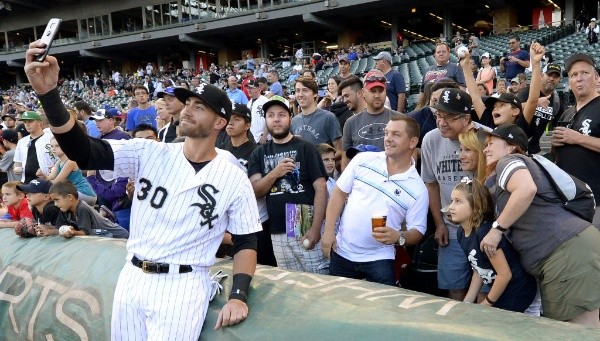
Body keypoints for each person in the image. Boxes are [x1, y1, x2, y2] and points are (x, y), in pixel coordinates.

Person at [25, 42, 262, 339]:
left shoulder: (232, 176)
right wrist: (48, 95)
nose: (187, 111)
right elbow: (83, 151)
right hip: (133, 276)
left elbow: (246, 240)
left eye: (198, 107)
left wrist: (238, 294)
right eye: (187, 104)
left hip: (183, 283)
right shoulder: (150, 152)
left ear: (219, 122)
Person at [480, 123, 600, 327]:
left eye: (491, 143)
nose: (485, 149)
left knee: (580, 331)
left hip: (566, 252)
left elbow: (526, 189)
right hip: (570, 250)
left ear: (511, 147)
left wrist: (496, 229)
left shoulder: (509, 160)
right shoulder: (512, 167)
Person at [322, 115, 428, 286]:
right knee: (337, 308)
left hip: (380, 260)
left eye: (396, 134)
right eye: (386, 133)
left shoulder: (418, 188)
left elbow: (418, 230)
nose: (388, 139)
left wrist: (399, 237)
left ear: (412, 141)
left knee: (382, 311)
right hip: (342, 253)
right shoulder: (363, 160)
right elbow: (339, 193)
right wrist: (328, 232)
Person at [248, 97, 329, 274]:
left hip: (304, 222)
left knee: (317, 281)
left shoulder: (306, 147)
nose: (276, 119)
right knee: (290, 286)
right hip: (276, 228)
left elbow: (321, 188)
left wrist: (316, 228)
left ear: (290, 118)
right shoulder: (259, 152)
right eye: (271, 115)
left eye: (282, 115)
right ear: (266, 121)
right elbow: (255, 191)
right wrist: (275, 172)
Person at [421, 88, 477, 300]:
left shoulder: (483, 136)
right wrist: (439, 223)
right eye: (438, 115)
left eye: (450, 117)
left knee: (484, 288)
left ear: (466, 119)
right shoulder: (431, 140)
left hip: (481, 229)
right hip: (452, 229)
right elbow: (431, 184)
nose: (442, 122)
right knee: (454, 287)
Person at [448, 177, 536, 312]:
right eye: (451, 201)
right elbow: (478, 269)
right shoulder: (461, 232)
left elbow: (504, 274)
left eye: (458, 201)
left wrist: (487, 303)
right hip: (501, 290)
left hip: (517, 290)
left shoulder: (484, 232)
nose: (451, 207)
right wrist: (467, 303)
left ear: (476, 207)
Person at [552, 53, 600, 226]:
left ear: (597, 78)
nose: (579, 79)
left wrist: (579, 139)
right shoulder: (567, 113)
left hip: (596, 201)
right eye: (574, 75)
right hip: (568, 200)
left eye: (584, 73)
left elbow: (576, 140)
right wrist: (555, 145)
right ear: (569, 83)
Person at [342, 70, 401, 170]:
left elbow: (409, 152)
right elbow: (346, 158)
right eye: (372, 91)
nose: (377, 95)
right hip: (363, 179)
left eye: (381, 91)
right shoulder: (351, 122)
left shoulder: (399, 119)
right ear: (363, 93)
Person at [49, 181, 128, 239]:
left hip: (119, 236)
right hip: (104, 237)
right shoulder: (65, 210)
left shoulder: (82, 208)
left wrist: (72, 232)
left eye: (57, 200)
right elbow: (58, 227)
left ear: (70, 197)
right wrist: (46, 230)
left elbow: (85, 233)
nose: (55, 204)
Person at [517, 63, 567, 154]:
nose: (552, 79)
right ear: (542, 75)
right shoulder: (527, 92)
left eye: (555, 76)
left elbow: (559, 129)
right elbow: (513, 109)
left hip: (535, 149)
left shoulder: (557, 103)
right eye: (549, 75)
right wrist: (534, 103)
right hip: (516, 144)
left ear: (559, 80)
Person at [38, 137, 97, 205]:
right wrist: (43, 175)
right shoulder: (58, 162)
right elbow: (50, 178)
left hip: (85, 193)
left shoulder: (70, 161)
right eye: (51, 146)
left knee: (58, 198)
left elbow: (55, 182)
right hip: (73, 192)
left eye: (57, 146)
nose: (53, 149)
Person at [290, 77, 342, 150]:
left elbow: (340, 151)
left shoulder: (328, 117)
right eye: (297, 91)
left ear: (315, 94)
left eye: (305, 90)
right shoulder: (294, 121)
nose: (300, 94)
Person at [13, 111, 56, 184]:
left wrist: (55, 169)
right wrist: (16, 168)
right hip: (27, 181)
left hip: (47, 180)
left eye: (30, 121)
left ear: (39, 122)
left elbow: (61, 159)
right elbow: (18, 161)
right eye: (25, 122)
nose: (27, 125)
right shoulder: (22, 141)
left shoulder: (51, 138)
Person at [246, 79, 269, 144]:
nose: (249, 90)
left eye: (251, 88)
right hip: (252, 138)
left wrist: (265, 135)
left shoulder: (265, 101)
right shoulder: (249, 103)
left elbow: (269, 119)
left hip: (264, 138)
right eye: (248, 88)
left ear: (259, 89)